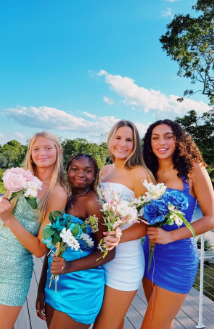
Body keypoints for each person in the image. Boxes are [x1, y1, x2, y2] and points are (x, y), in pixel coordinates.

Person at [0, 132, 67, 329]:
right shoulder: (20, 178)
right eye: (36, 149)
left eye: (48, 148)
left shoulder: (57, 193)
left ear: (59, 152)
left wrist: (10, 219)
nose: (42, 153)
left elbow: (39, 250)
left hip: (12, 274)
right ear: (30, 153)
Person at [141, 119, 214, 329]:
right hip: (148, 256)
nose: (161, 142)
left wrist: (171, 236)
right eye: (155, 137)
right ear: (149, 143)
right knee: (164, 323)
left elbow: (212, 218)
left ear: (179, 140)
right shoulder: (148, 172)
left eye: (168, 136)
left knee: (151, 325)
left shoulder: (194, 170)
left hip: (178, 258)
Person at [36, 153, 115, 329]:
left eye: (88, 170)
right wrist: (41, 288)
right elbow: (52, 247)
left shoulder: (93, 203)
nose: (81, 174)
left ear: (94, 175)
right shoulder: (63, 198)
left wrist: (69, 267)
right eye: (75, 169)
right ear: (67, 171)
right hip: (54, 283)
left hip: (80, 286)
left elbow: (108, 252)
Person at [93, 120, 155, 329]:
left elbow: (149, 223)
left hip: (125, 262)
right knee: (113, 322)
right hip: (99, 259)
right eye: (118, 138)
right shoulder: (104, 171)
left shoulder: (140, 174)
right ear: (110, 139)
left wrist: (118, 237)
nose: (123, 144)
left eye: (129, 140)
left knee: (104, 325)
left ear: (136, 144)